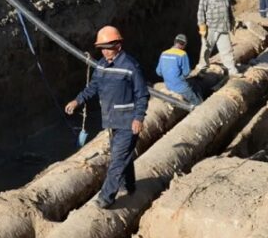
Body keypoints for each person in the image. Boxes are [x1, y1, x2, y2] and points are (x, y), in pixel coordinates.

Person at [65, 26, 149, 209]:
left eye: (107, 47)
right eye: (101, 47)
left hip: (128, 122)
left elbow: (142, 95)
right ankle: (130, 185)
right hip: (111, 121)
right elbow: (93, 87)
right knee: (123, 156)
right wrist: (77, 101)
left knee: (117, 160)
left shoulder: (130, 66)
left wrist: (139, 118)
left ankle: (106, 198)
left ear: (118, 45)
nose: (104, 51)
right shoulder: (102, 64)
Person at [196, 0, 240, 77]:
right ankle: (202, 69)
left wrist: (232, 22)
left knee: (227, 50)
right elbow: (201, 11)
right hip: (211, 28)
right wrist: (202, 26)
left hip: (224, 27)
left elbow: (229, 9)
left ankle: (232, 71)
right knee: (206, 50)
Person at [156, 34, 202, 106]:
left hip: (168, 85)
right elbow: (186, 72)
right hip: (180, 87)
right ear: (184, 45)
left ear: (174, 42)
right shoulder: (182, 54)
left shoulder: (164, 53)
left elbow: (158, 72)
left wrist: (169, 76)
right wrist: (179, 78)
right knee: (198, 102)